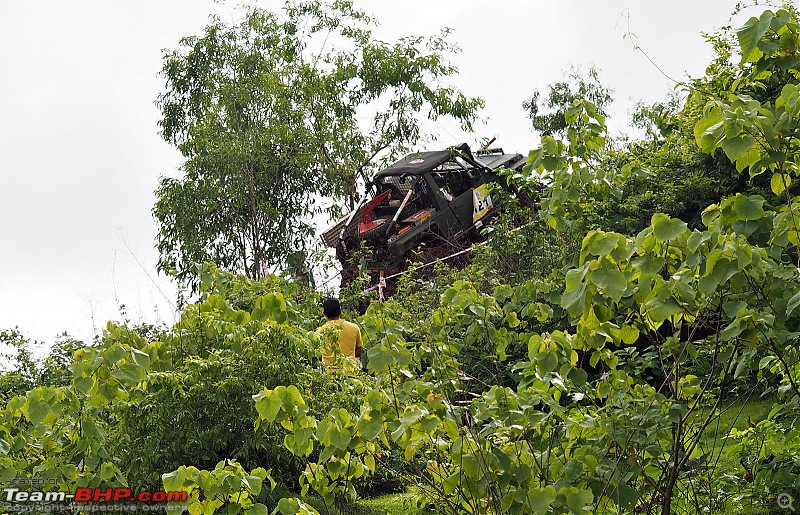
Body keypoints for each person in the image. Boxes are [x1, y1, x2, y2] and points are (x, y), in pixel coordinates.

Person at [316, 297, 363, 372]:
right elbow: (358, 352)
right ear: (340, 311)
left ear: (324, 313)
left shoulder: (319, 332)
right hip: (350, 375)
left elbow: (317, 354)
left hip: (328, 377)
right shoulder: (354, 328)